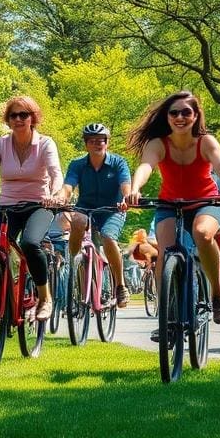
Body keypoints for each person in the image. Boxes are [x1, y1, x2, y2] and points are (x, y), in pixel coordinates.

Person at [124, 91, 220, 326]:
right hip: (170, 204)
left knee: (202, 233)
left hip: (207, 202)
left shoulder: (206, 142)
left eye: (186, 112)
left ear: (196, 116)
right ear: (167, 117)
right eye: (174, 112)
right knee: (165, 256)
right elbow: (146, 165)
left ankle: (217, 295)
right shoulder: (158, 144)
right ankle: (165, 317)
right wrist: (134, 189)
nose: (180, 117)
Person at [0, 96, 63, 321]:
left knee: (30, 243)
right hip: (6, 206)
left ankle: (45, 297)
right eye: (13, 115)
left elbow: (56, 174)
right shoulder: (1, 144)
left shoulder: (45, 143)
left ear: (32, 118)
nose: (18, 119)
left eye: (23, 115)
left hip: (39, 205)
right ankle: (3, 301)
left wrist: (54, 195)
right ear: (8, 120)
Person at [57, 123, 132, 308]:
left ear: (107, 142)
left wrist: (126, 198)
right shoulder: (77, 164)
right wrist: (60, 197)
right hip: (86, 208)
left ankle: (120, 285)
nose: (97, 144)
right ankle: (74, 263)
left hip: (113, 209)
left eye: (101, 140)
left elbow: (125, 186)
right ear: (86, 144)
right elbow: (68, 187)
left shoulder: (118, 163)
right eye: (92, 141)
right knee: (77, 220)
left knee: (108, 236)